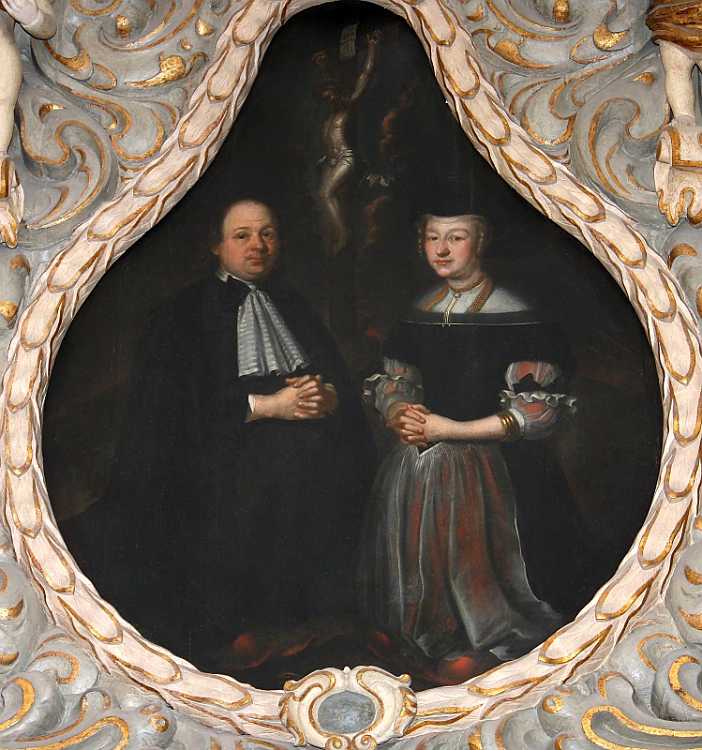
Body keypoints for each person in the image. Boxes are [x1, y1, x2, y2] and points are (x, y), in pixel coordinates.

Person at [62, 199, 373, 672]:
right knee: (255, 477)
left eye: (267, 234)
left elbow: (330, 379)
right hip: (212, 453)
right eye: (242, 235)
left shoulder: (294, 304)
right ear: (216, 245)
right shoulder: (183, 313)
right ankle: (235, 626)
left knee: (328, 466)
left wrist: (325, 397)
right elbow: (175, 408)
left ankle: (302, 617)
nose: (257, 245)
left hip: (299, 447)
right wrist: (271, 406)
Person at [359, 208, 574, 664]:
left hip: (502, 468)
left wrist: (451, 430)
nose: (441, 249)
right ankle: (427, 634)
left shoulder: (517, 314)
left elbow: (535, 411)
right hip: (420, 463)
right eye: (432, 237)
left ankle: (476, 637)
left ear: (481, 241)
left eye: (456, 237)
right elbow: (396, 381)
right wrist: (398, 411)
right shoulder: (420, 310)